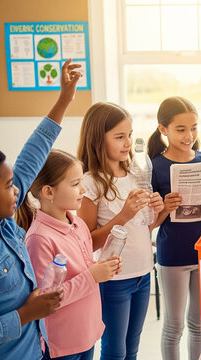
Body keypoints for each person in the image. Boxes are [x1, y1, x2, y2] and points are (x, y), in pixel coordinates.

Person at [0, 59, 81, 359]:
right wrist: (24, 314)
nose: (18, 190)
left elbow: (33, 153)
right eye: (9, 186)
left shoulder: (1, 220)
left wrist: (64, 99)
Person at [76, 102, 164, 360]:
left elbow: (144, 226)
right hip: (114, 280)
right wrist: (123, 215)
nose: (127, 143)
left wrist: (156, 210)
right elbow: (87, 243)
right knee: (116, 351)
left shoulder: (136, 173)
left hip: (143, 272)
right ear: (97, 140)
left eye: (129, 134)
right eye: (119, 137)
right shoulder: (90, 183)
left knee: (132, 348)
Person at [147, 96, 201, 360]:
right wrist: (165, 208)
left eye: (194, 128)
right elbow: (150, 224)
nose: (189, 135)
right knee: (174, 326)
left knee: (198, 324)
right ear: (163, 129)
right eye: (181, 129)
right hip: (173, 255)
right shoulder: (155, 166)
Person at [15, 149, 121, 360]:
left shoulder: (78, 223)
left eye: (81, 182)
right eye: (75, 184)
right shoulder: (38, 239)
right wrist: (93, 276)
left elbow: (82, 270)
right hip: (62, 343)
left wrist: (102, 269)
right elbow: (46, 300)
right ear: (49, 192)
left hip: (86, 332)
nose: (83, 189)